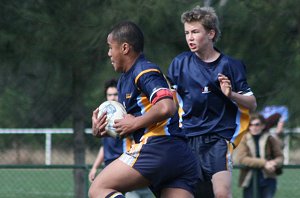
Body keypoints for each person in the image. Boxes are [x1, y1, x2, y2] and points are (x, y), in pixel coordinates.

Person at [89, 21, 199, 198]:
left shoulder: (144, 70)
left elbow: (166, 106)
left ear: (125, 48)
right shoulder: (126, 79)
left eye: (110, 47)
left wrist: (134, 123)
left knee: (98, 189)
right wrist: (104, 130)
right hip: (179, 155)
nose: (109, 53)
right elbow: (133, 122)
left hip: (157, 147)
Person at [167, 6, 257, 198]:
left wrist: (231, 94)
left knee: (222, 193)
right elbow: (169, 103)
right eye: (187, 33)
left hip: (218, 140)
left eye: (195, 32)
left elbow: (252, 103)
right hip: (187, 139)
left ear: (211, 33)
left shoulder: (231, 66)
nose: (190, 37)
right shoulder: (179, 63)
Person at [89, 79, 153, 198]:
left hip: (127, 164)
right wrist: (94, 167)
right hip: (110, 166)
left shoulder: (126, 116)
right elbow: (104, 147)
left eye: (115, 94)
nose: (112, 98)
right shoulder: (104, 118)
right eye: (109, 95)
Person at [237, 113, 284, 198]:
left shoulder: (270, 138)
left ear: (263, 126)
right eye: (250, 125)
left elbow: (280, 157)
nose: (253, 127)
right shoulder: (244, 138)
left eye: (257, 124)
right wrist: (265, 163)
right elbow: (241, 158)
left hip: (268, 178)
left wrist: (274, 163)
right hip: (249, 179)